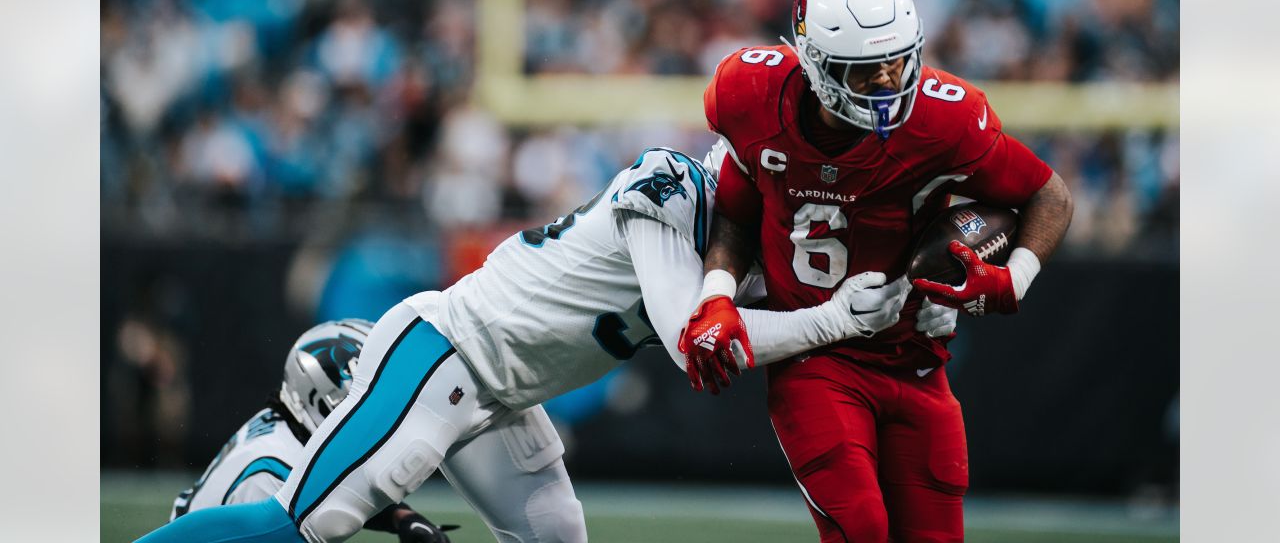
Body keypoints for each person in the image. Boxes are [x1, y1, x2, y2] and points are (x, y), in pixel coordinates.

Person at [135, 147, 914, 543]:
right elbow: (694, 341)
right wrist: (837, 318)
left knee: (555, 536)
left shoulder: (731, 255)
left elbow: (787, 319)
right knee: (308, 521)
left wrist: (906, 302)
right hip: (445, 351)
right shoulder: (670, 185)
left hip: (505, 396)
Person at [680, 0, 1074, 542]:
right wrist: (717, 294)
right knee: (860, 528)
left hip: (916, 361)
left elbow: (1048, 195)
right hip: (819, 358)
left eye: (899, 61)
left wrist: (1012, 279)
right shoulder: (753, 94)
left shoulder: (944, 117)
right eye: (865, 72)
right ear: (813, 62)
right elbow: (737, 213)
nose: (890, 82)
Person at [170, 319, 455, 543]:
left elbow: (325, 481)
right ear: (322, 400)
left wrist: (401, 517)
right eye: (363, 401)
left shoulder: (288, 426)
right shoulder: (270, 477)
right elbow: (309, 491)